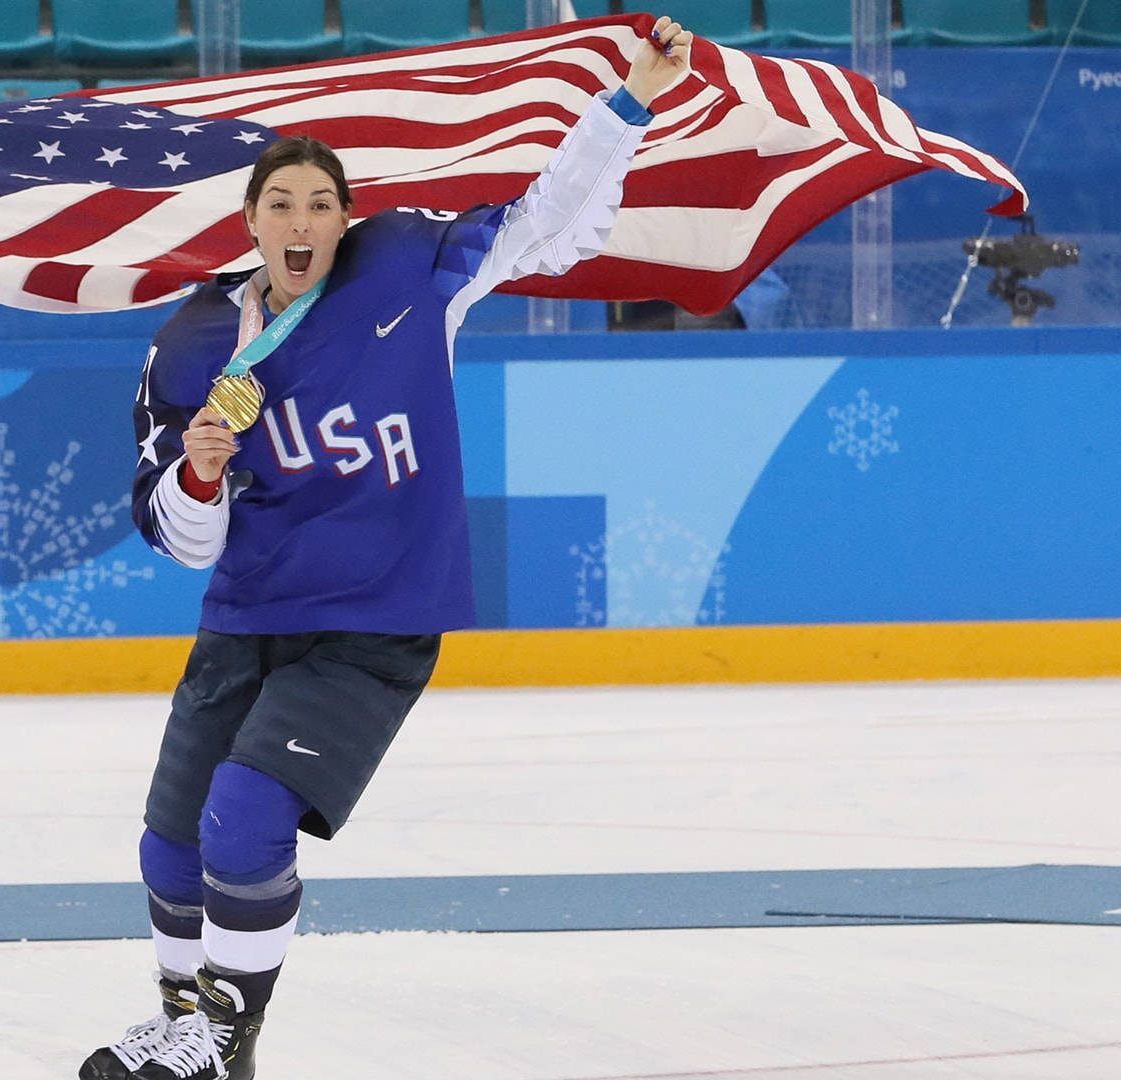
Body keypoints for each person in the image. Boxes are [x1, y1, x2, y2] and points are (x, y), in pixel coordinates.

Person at [85, 16, 695, 1080]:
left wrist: (628, 102)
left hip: (373, 623)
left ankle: (227, 1033)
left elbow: (551, 222)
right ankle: (189, 1021)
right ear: (250, 221)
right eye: (281, 203)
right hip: (246, 620)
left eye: (322, 203)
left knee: (245, 819)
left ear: (346, 219)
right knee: (169, 848)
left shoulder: (408, 279)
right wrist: (200, 471)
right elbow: (184, 545)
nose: (302, 218)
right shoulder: (191, 342)